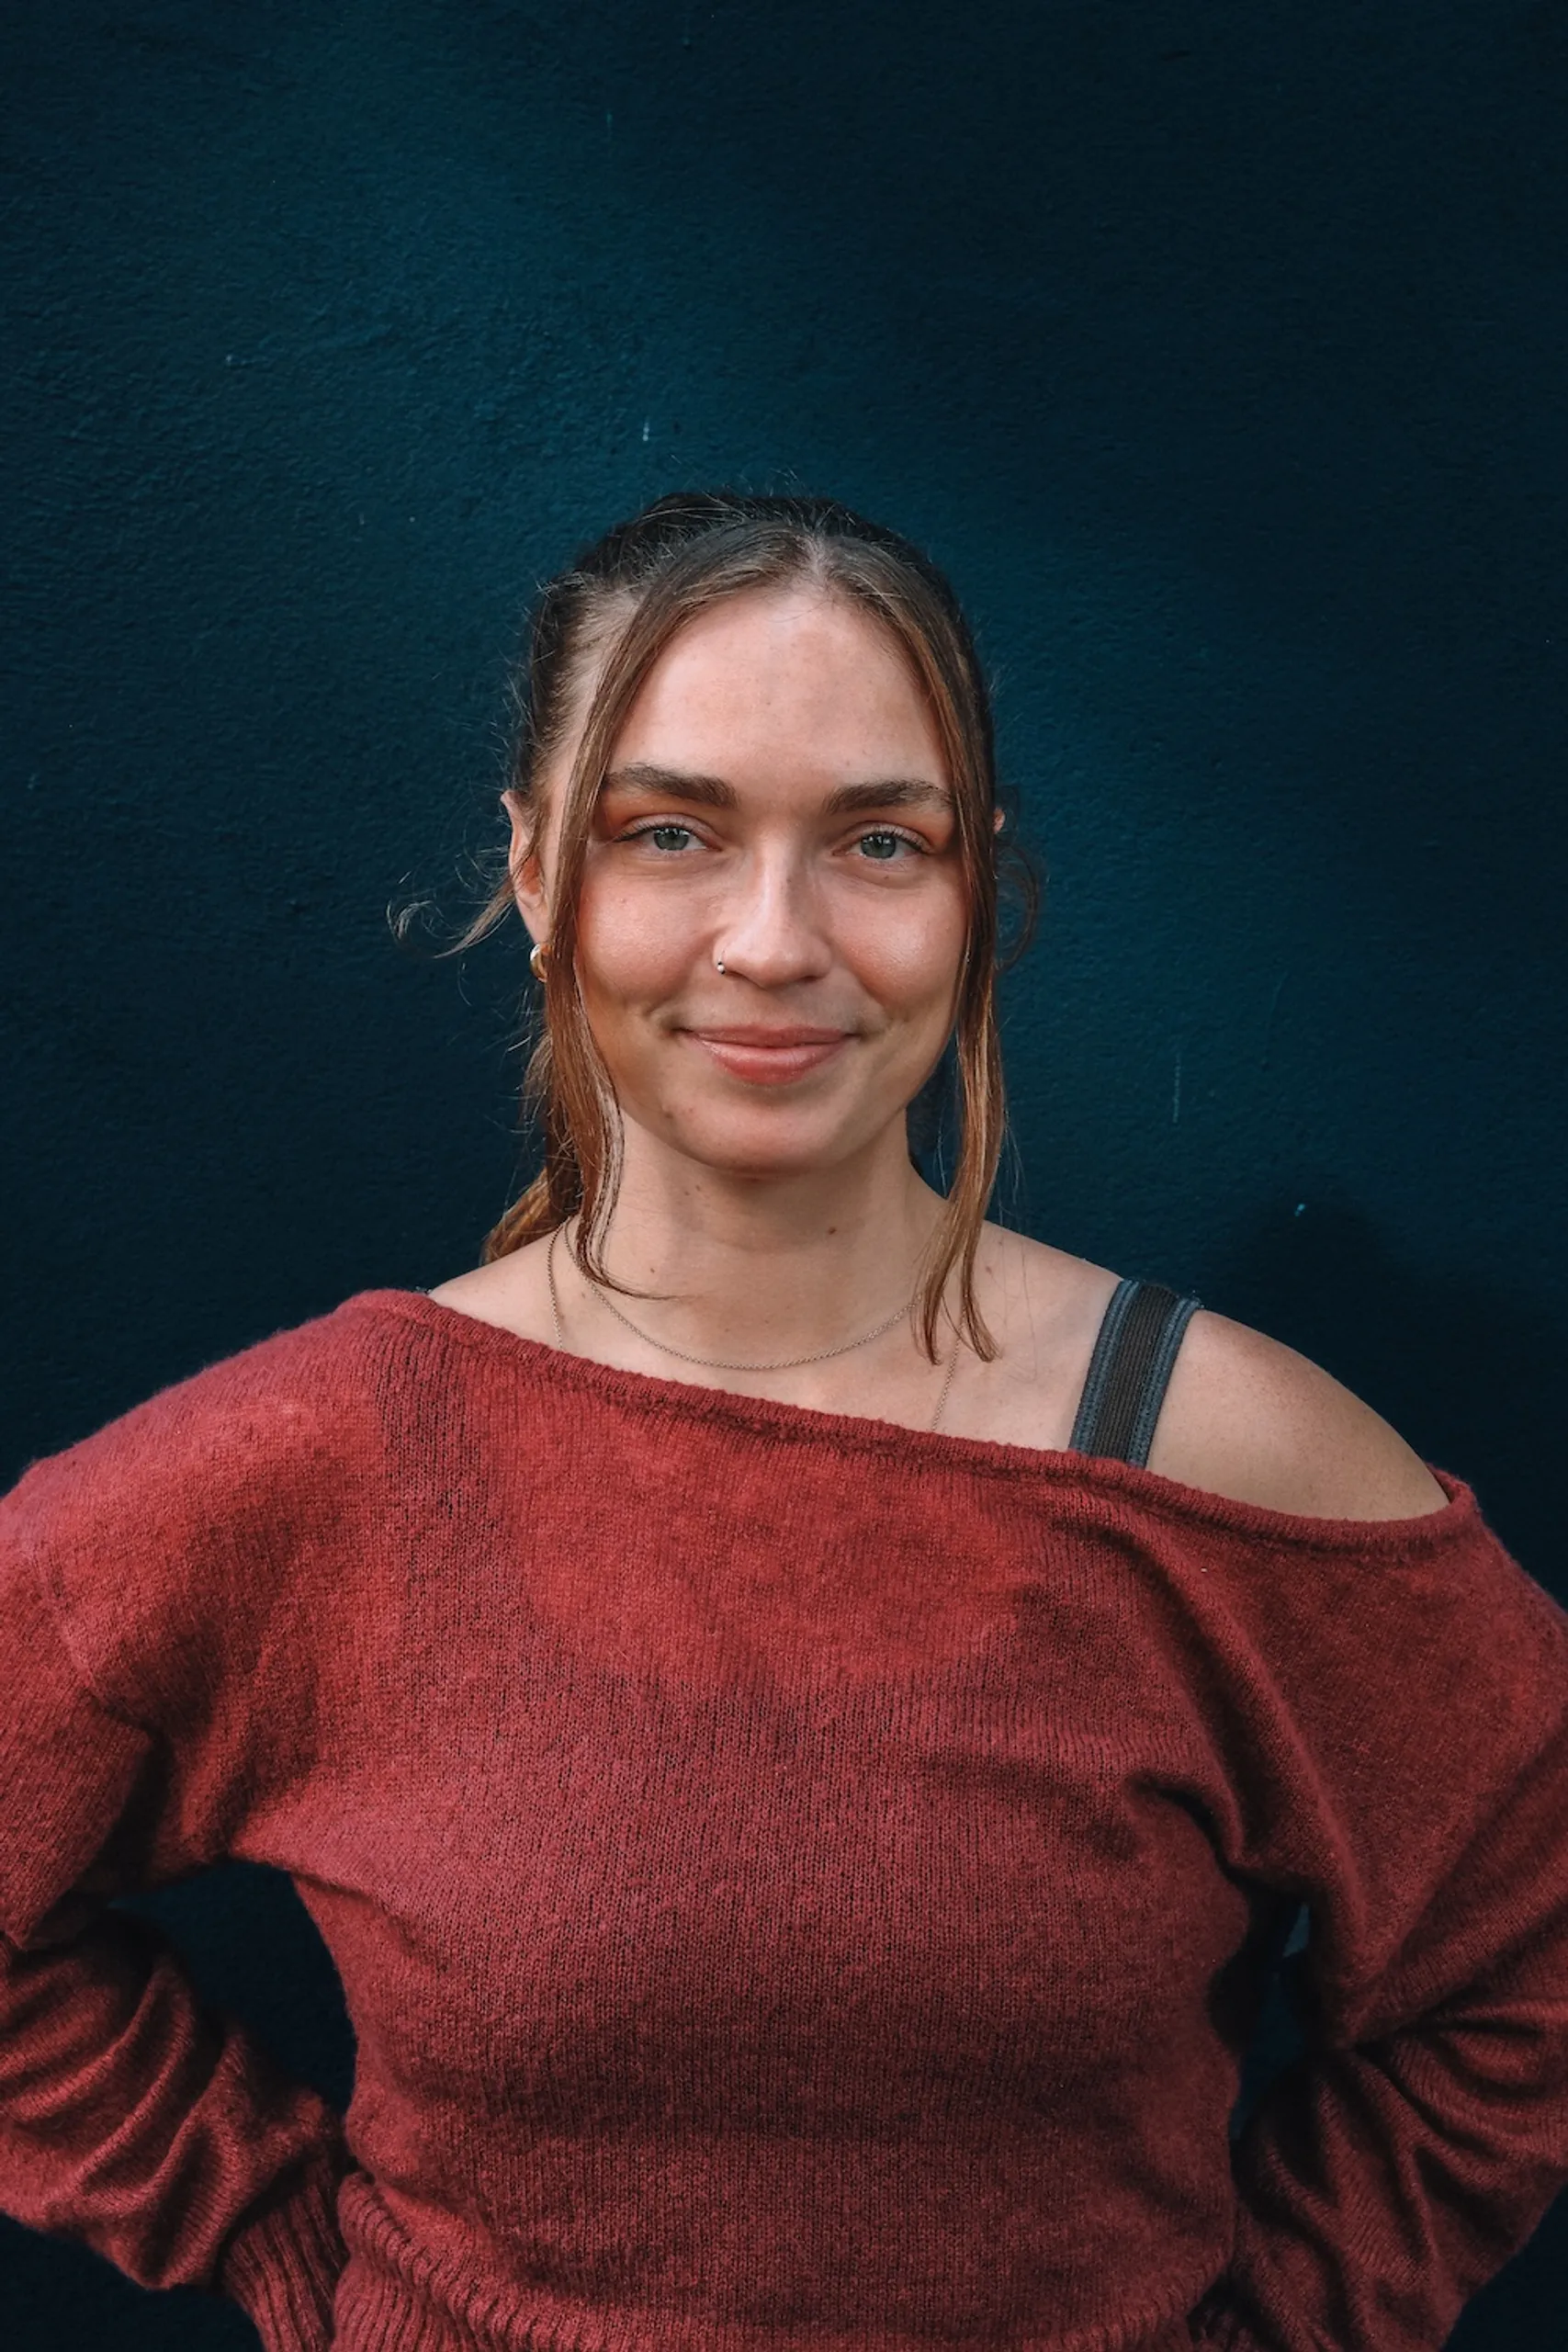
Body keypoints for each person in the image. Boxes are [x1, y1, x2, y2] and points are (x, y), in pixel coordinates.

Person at [1, 491, 1565, 2352]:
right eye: (669, 831)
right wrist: (286, 2251)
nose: (770, 940)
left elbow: (1526, 1970)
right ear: (536, 874)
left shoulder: (1220, 1462)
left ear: (979, 892)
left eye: (878, 842)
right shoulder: (334, 1457)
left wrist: (1281, 2323)